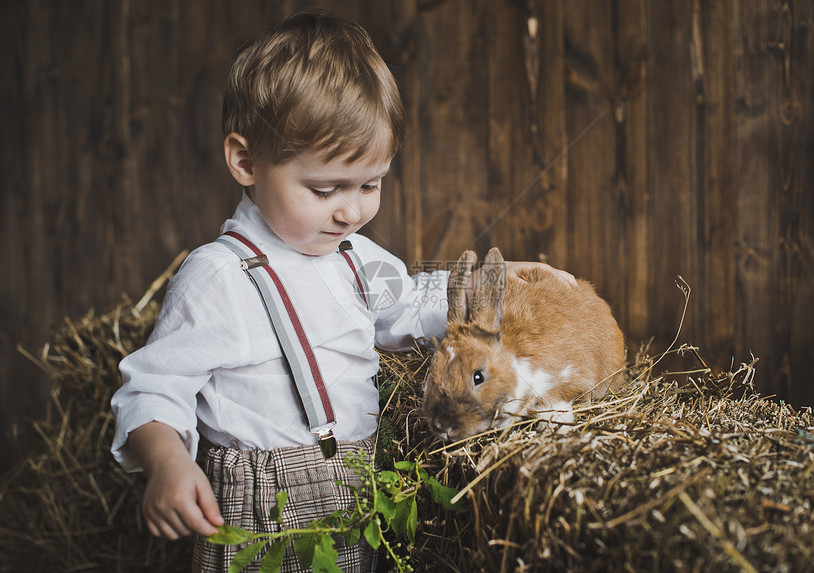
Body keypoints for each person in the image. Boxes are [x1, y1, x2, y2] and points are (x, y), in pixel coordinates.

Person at [110, 9, 576, 572]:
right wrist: (168, 465)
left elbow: (419, 303)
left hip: (358, 491)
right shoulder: (218, 277)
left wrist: (504, 278)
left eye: (370, 185)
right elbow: (153, 391)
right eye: (326, 188)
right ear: (245, 161)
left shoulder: (356, 259)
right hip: (263, 516)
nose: (351, 210)